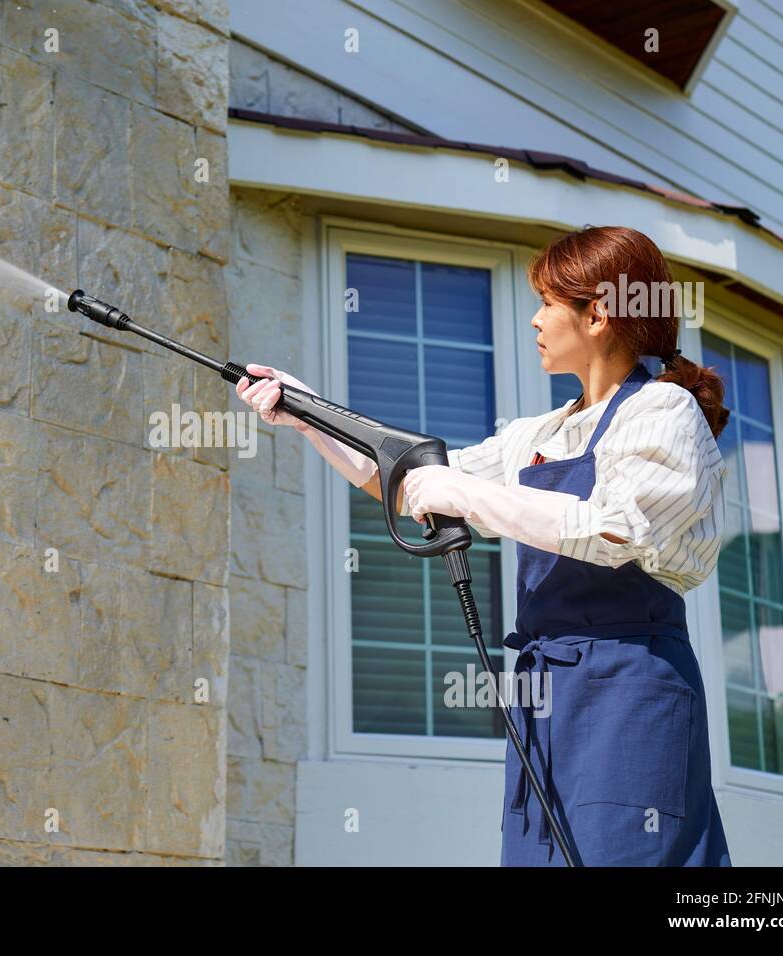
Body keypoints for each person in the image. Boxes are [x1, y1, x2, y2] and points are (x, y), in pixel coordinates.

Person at [235, 225, 732, 867]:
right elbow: (409, 481)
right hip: (544, 694)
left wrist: (463, 494)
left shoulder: (663, 412)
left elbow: (612, 528)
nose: (535, 318)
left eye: (550, 302)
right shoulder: (538, 432)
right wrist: (306, 414)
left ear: (600, 313)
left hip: (628, 687)